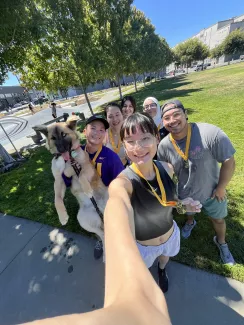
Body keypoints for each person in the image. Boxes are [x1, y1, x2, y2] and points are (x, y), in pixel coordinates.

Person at [22, 178, 172, 325]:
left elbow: (118, 188)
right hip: (95, 205)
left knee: (148, 250)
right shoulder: (68, 162)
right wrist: (58, 199)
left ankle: (161, 269)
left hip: (109, 199)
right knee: (89, 221)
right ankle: (103, 239)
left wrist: (117, 197)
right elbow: (60, 179)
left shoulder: (106, 159)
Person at [108, 113, 201, 293]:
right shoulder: (123, 182)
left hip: (170, 235)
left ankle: (162, 270)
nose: (138, 147)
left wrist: (183, 205)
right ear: (124, 146)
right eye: (130, 141)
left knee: (165, 259)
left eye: (145, 138)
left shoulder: (167, 168)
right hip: (143, 246)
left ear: (157, 138)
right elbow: (116, 199)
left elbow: (169, 201)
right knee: (142, 271)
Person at [158, 99, 236, 265]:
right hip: (185, 193)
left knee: (218, 220)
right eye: (166, 118)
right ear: (162, 122)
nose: (172, 120)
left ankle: (221, 242)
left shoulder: (209, 133)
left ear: (185, 114)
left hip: (212, 192)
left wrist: (221, 187)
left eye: (176, 114)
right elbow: (167, 173)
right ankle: (190, 222)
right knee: (189, 213)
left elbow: (229, 160)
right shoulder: (163, 146)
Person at [81, 114, 125, 187]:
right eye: (93, 128)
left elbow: (122, 182)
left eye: (101, 130)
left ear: (105, 134)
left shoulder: (111, 157)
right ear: (84, 132)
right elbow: (67, 180)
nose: (97, 132)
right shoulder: (78, 152)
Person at [104, 102, 128, 166]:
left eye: (117, 115)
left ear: (122, 114)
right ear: (106, 119)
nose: (115, 119)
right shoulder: (103, 135)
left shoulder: (129, 131)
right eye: (110, 116)